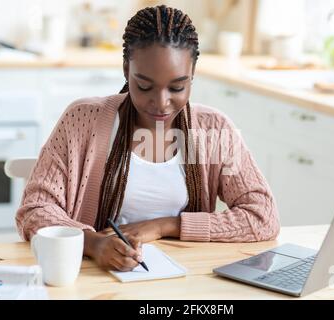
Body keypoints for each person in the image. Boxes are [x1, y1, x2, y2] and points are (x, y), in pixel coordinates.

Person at [16, 5, 279, 272]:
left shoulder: (214, 131)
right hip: (95, 278)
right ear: (126, 69)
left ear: (193, 75)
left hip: (188, 279)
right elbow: (36, 209)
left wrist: (165, 225)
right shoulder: (82, 120)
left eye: (177, 87)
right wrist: (94, 244)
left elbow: (262, 217)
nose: (161, 103)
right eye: (144, 86)